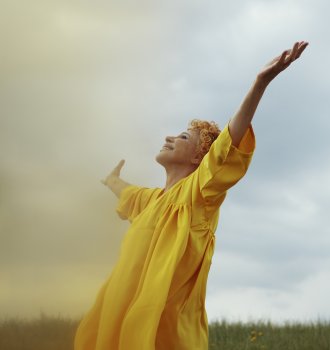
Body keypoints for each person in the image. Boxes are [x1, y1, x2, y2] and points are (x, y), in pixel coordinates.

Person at [74, 41, 308, 350]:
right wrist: (112, 181)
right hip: (117, 320)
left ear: (199, 157)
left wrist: (259, 83)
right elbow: (127, 193)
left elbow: (229, 143)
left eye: (183, 137)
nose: (169, 137)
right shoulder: (150, 202)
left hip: (164, 332)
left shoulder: (200, 194)